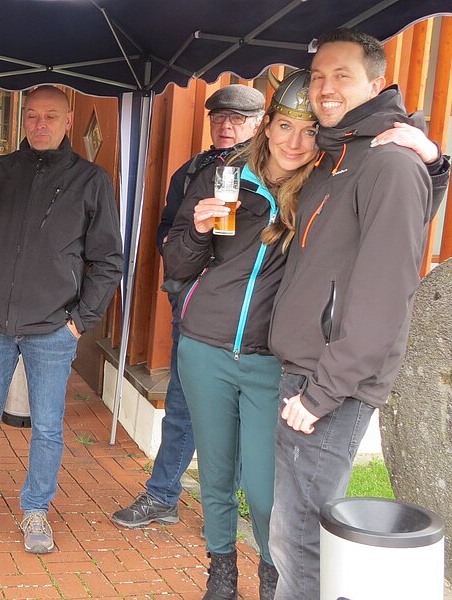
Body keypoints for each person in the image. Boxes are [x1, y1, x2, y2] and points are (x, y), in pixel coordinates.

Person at [268, 29, 449, 600]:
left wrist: (321, 394)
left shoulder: (388, 162)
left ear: (376, 83)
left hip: (329, 385)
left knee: (301, 541)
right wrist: (439, 168)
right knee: (291, 533)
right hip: (306, 372)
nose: (325, 87)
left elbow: (383, 295)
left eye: (342, 75)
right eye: (318, 75)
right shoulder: (339, 155)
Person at [0, 85, 123, 554]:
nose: (40, 125)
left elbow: (108, 260)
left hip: (53, 326)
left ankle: (36, 510)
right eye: (33, 116)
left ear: (69, 119)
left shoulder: (91, 179)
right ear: (22, 120)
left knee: (47, 427)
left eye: (51, 116)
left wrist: (82, 320)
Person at [163, 71, 315, 600]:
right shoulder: (225, 176)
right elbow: (177, 256)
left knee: (266, 486)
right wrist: (198, 229)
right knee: (217, 472)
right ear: (267, 127)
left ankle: (272, 573)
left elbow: (398, 209)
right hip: (205, 347)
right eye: (286, 126)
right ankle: (221, 568)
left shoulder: (321, 189)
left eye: (310, 130)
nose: (295, 142)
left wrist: (431, 164)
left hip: (271, 359)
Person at [113, 84, 265, 529]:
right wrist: (175, 258)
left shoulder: (271, 170)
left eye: (237, 119)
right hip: (194, 305)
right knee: (182, 403)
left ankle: (229, 501)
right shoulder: (192, 170)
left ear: (258, 124)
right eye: (218, 117)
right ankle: (163, 496)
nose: (226, 126)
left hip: (249, 312)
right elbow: (167, 225)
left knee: (240, 408)